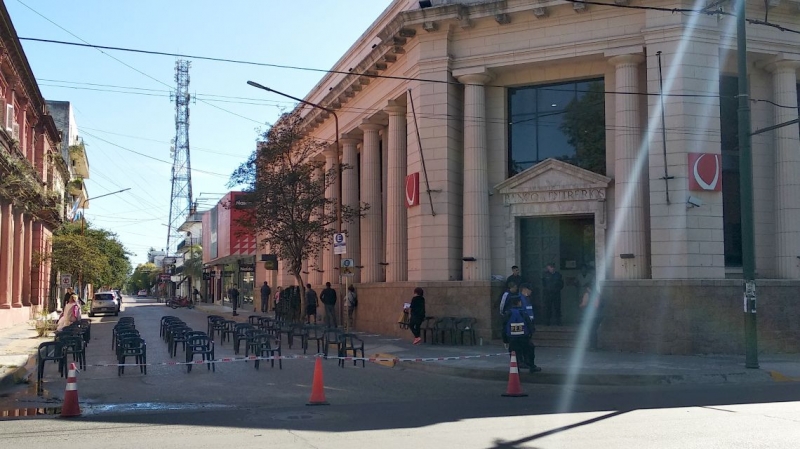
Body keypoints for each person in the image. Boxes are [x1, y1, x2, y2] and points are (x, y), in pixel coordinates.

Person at [503, 296, 540, 372]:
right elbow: (530, 325)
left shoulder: (508, 313)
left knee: (514, 353)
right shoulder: (523, 313)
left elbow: (504, 327)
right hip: (524, 337)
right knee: (529, 350)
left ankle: (516, 368)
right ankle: (531, 366)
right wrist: (530, 334)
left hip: (512, 338)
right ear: (519, 302)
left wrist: (505, 340)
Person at [579, 285, 603, 350]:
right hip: (599, 315)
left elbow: (584, 303)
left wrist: (580, 305)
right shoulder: (598, 294)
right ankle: (593, 346)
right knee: (594, 331)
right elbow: (597, 305)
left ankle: (592, 346)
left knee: (591, 331)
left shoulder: (587, 294)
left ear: (588, 288)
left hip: (590, 316)